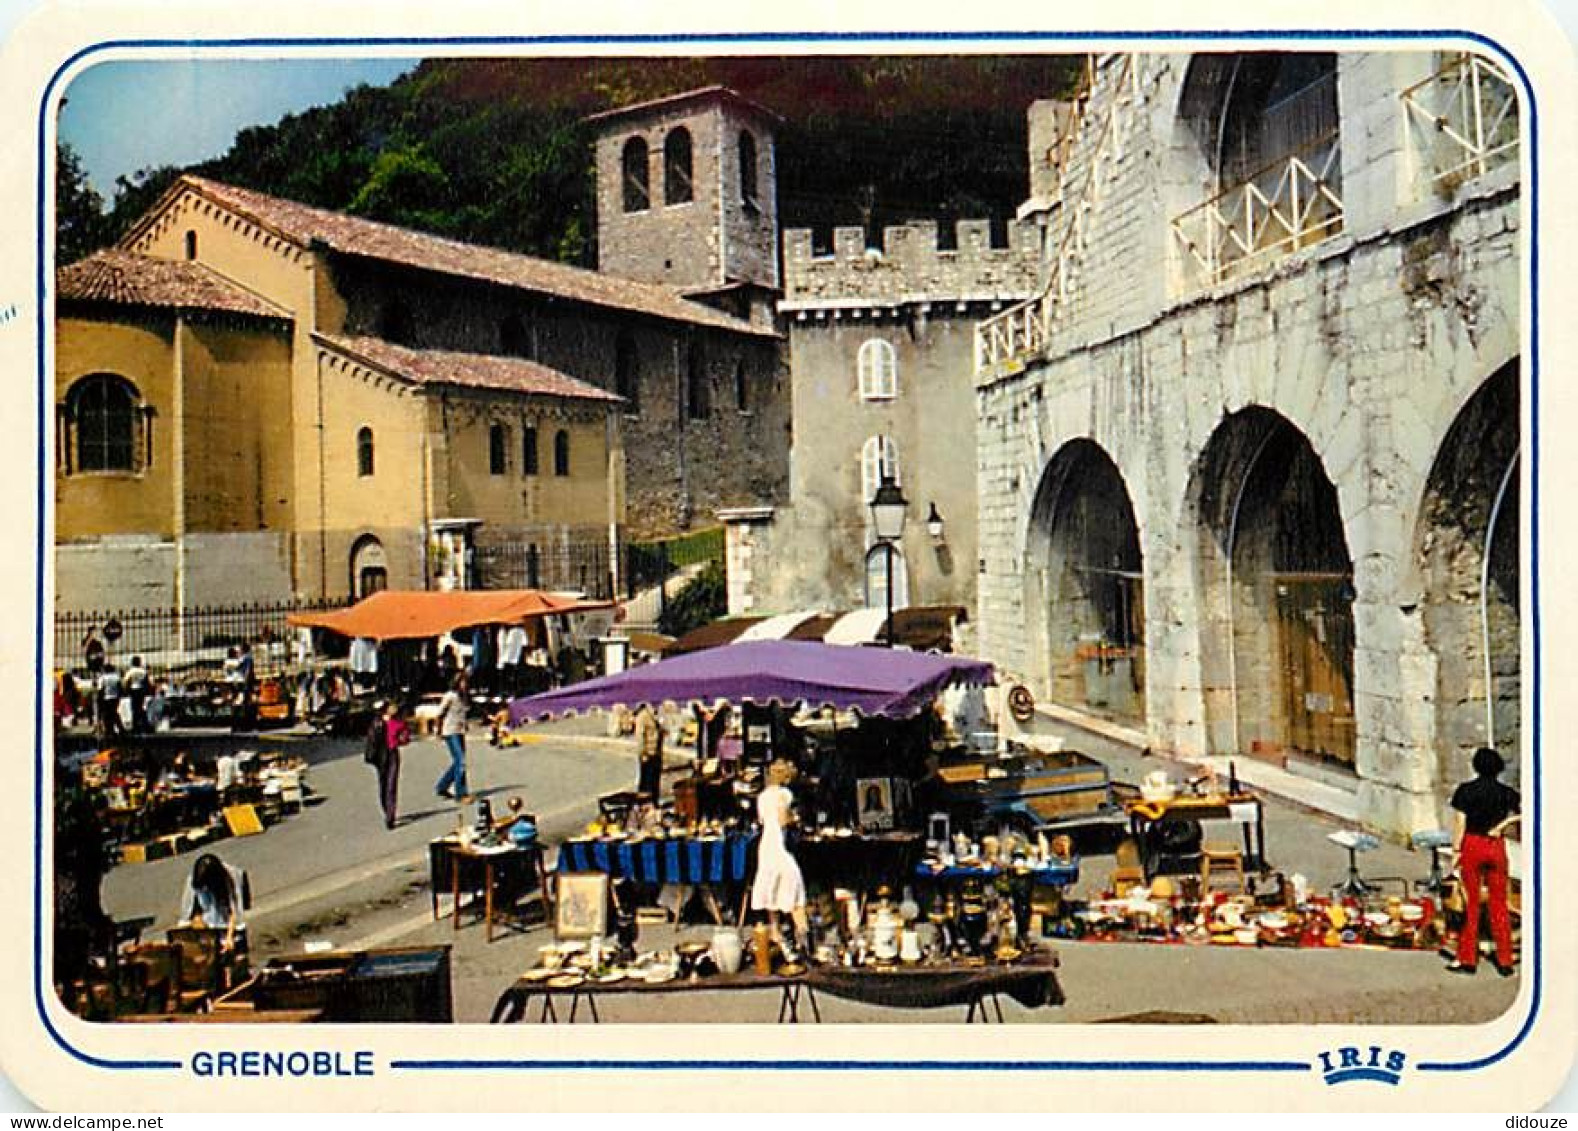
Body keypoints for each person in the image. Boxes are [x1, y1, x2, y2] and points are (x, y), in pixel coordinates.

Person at [1446, 746, 1520, 976]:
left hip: (1473, 844)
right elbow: (1525, 813)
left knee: (1472, 903)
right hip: (1495, 846)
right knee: (1499, 904)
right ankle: (1505, 959)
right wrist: (1501, 827)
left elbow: (1460, 822)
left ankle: (1467, 958)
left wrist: (1456, 850)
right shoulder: (1507, 793)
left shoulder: (1466, 791)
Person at [750, 760, 809, 959]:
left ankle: (775, 931)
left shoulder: (762, 797)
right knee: (794, 888)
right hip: (780, 846)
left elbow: (762, 820)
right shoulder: (785, 795)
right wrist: (795, 819)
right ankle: (803, 935)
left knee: (770, 887)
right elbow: (783, 820)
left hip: (766, 845)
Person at [179, 853, 249, 953]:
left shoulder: (232, 878)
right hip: (209, 930)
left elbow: (234, 912)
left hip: (230, 929)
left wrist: (229, 938)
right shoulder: (194, 879)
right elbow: (189, 912)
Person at [371, 700, 411, 829]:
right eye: (391, 707)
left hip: (392, 753)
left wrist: (402, 739)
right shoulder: (377, 721)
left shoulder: (399, 721)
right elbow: (371, 739)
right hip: (380, 755)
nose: (393, 709)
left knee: (391, 785)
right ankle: (386, 808)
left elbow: (405, 736)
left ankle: (390, 815)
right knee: (383, 784)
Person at [434, 673, 470, 802]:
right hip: (450, 731)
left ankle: (442, 786)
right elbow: (439, 714)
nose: (465, 685)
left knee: (458, 761)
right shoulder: (450, 696)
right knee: (461, 761)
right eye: (462, 682)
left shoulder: (464, 697)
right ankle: (461, 793)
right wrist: (438, 731)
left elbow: (462, 713)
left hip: (460, 731)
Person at [634, 703, 664, 799]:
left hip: (656, 753)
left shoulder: (656, 715)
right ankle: (645, 805)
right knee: (646, 782)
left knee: (655, 782)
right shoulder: (643, 716)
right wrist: (642, 753)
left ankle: (654, 803)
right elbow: (640, 736)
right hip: (647, 754)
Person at [94, 663, 122, 740]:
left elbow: (100, 690)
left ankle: (109, 730)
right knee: (114, 713)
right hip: (115, 698)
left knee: (106, 715)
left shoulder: (102, 678)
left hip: (106, 698)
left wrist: (99, 700)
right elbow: (120, 687)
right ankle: (120, 728)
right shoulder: (116, 677)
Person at [123, 656, 150, 734]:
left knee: (134, 709)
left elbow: (126, 682)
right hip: (141, 690)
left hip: (133, 690)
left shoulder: (130, 671)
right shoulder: (143, 671)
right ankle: (145, 724)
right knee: (141, 707)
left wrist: (126, 690)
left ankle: (135, 726)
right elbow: (147, 682)